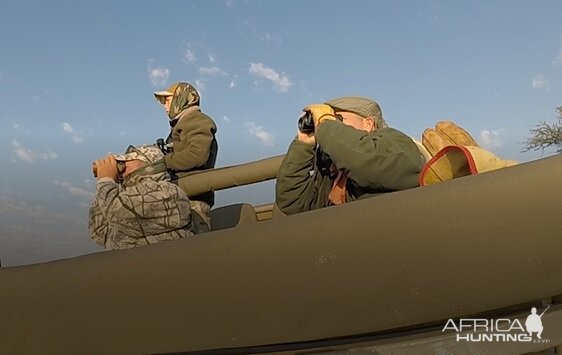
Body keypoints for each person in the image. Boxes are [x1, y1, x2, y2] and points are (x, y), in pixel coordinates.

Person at [276, 96, 424, 215]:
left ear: (368, 124)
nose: (325, 124)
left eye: (338, 119)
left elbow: (366, 161)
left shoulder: (395, 142)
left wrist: (326, 122)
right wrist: (303, 145)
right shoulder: (331, 172)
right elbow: (292, 202)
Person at [89, 145, 194, 250]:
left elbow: (119, 212)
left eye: (124, 164)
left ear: (149, 165)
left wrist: (106, 180)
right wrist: (108, 181)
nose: (121, 169)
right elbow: (99, 232)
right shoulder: (125, 197)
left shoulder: (169, 193)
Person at [153, 82, 218, 233]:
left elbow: (197, 155)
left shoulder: (196, 120)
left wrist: (163, 162)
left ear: (181, 99)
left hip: (194, 199)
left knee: (198, 249)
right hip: (183, 197)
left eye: (167, 101)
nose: (165, 107)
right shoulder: (182, 124)